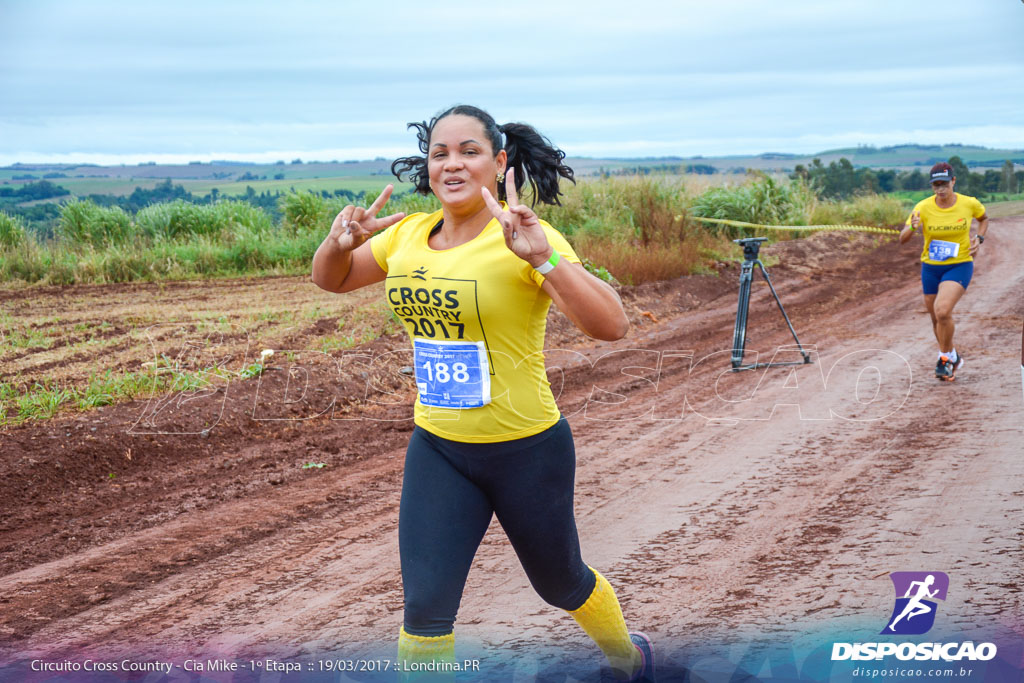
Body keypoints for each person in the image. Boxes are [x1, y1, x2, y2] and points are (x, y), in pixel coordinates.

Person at [311, 104, 655, 682]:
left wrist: (542, 259)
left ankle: (629, 658)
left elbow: (611, 325)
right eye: (440, 152)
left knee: (561, 582)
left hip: (527, 449)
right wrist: (337, 243)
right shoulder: (407, 235)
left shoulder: (521, 236)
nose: (452, 164)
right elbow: (332, 278)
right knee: (424, 611)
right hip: (440, 447)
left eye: (469, 151)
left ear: (498, 162)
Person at [899, 161, 989, 381]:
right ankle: (952, 356)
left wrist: (979, 237)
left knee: (942, 310)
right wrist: (912, 226)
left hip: (959, 264)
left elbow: (984, 218)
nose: (940, 189)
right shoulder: (922, 207)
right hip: (930, 267)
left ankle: (945, 359)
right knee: (936, 319)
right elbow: (902, 238)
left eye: (944, 184)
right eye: (936, 185)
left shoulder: (969, 204)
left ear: (953, 182)